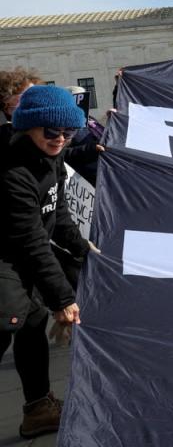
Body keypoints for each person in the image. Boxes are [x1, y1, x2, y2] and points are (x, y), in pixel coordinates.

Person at [0, 85, 96, 438]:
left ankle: (38, 408)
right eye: (51, 132)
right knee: (5, 326)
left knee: (32, 328)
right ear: (28, 126)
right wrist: (63, 297)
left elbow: (58, 213)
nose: (60, 139)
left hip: (22, 256)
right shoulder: (12, 169)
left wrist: (85, 249)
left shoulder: (53, 155)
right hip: (6, 258)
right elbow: (32, 238)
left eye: (68, 133)